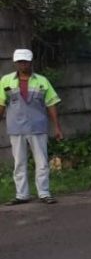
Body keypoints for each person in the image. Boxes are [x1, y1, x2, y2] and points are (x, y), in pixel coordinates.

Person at [1, 48, 64, 205]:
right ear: (15, 63)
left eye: (26, 62)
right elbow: (1, 103)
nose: (23, 65)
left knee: (42, 162)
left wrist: (57, 127)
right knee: (19, 162)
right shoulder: (6, 81)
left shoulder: (42, 81)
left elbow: (51, 104)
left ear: (31, 62)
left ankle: (44, 193)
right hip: (16, 128)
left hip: (37, 127)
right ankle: (22, 195)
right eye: (20, 62)